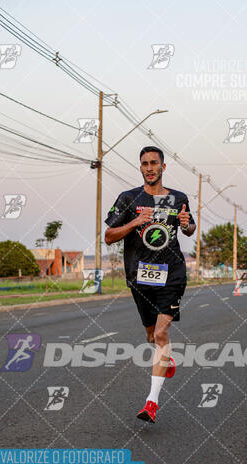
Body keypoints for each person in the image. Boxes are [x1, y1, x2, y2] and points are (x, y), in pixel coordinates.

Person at [104, 146, 196, 423]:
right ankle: (165, 358)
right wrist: (134, 222)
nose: (149, 167)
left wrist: (187, 223)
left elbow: (189, 228)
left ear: (163, 167)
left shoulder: (178, 198)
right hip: (140, 276)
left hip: (172, 273)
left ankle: (151, 403)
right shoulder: (128, 198)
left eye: (154, 163)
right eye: (144, 163)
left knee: (161, 335)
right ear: (140, 167)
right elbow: (109, 236)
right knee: (151, 337)